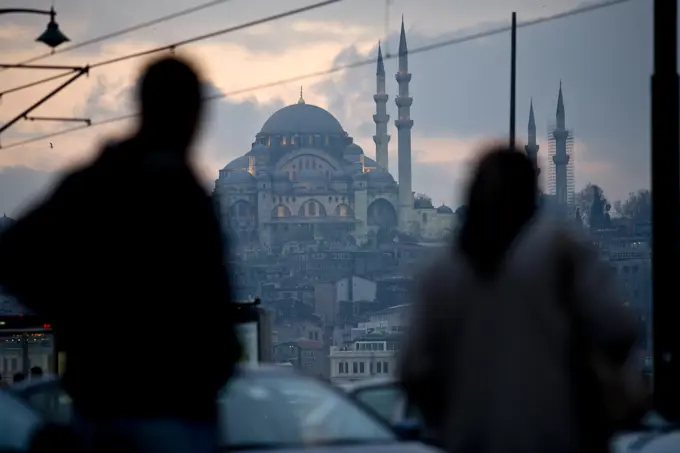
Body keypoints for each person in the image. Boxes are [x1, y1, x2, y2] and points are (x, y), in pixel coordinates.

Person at [0, 55, 240, 450]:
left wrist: (77, 321)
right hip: (165, 406)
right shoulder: (164, 190)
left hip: (119, 401)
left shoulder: (103, 179)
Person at [399, 146, 643, 453]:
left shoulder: (440, 272)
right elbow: (618, 329)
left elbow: (414, 369)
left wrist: (453, 416)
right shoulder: (560, 254)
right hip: (559, 437)